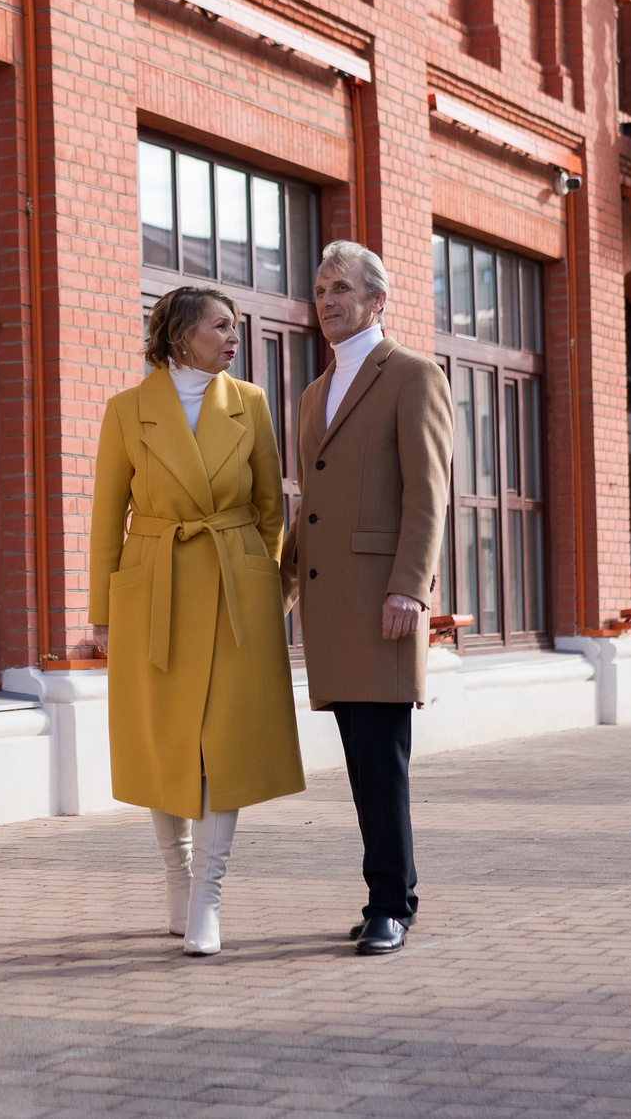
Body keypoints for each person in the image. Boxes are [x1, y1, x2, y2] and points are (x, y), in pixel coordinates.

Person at [88, 286, 305, 956]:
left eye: (235, 327)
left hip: (234, 590)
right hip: (155, 590)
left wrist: (264, 587)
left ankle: (209, 895)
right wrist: (102, 613)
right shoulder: (127, 411)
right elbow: (106, 520)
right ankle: (178, 878)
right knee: (166, 740)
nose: (234, 338)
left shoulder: (250, 403)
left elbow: (271, 510)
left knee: (223, 746)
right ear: (181, 335)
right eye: (221, 327)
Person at [285, 240, 450, 956]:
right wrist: (280, 590)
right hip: (333, 606)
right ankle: (394, 893)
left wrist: (410, 587)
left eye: (342, 288)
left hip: (383, 603)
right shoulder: (314, 393)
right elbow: (311, 507)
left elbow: (427, 493)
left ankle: (389, 904)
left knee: (382, 761)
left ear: (378, 300)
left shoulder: (413, 375)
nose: (327, 300)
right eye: (321, 289)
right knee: (362, 762)